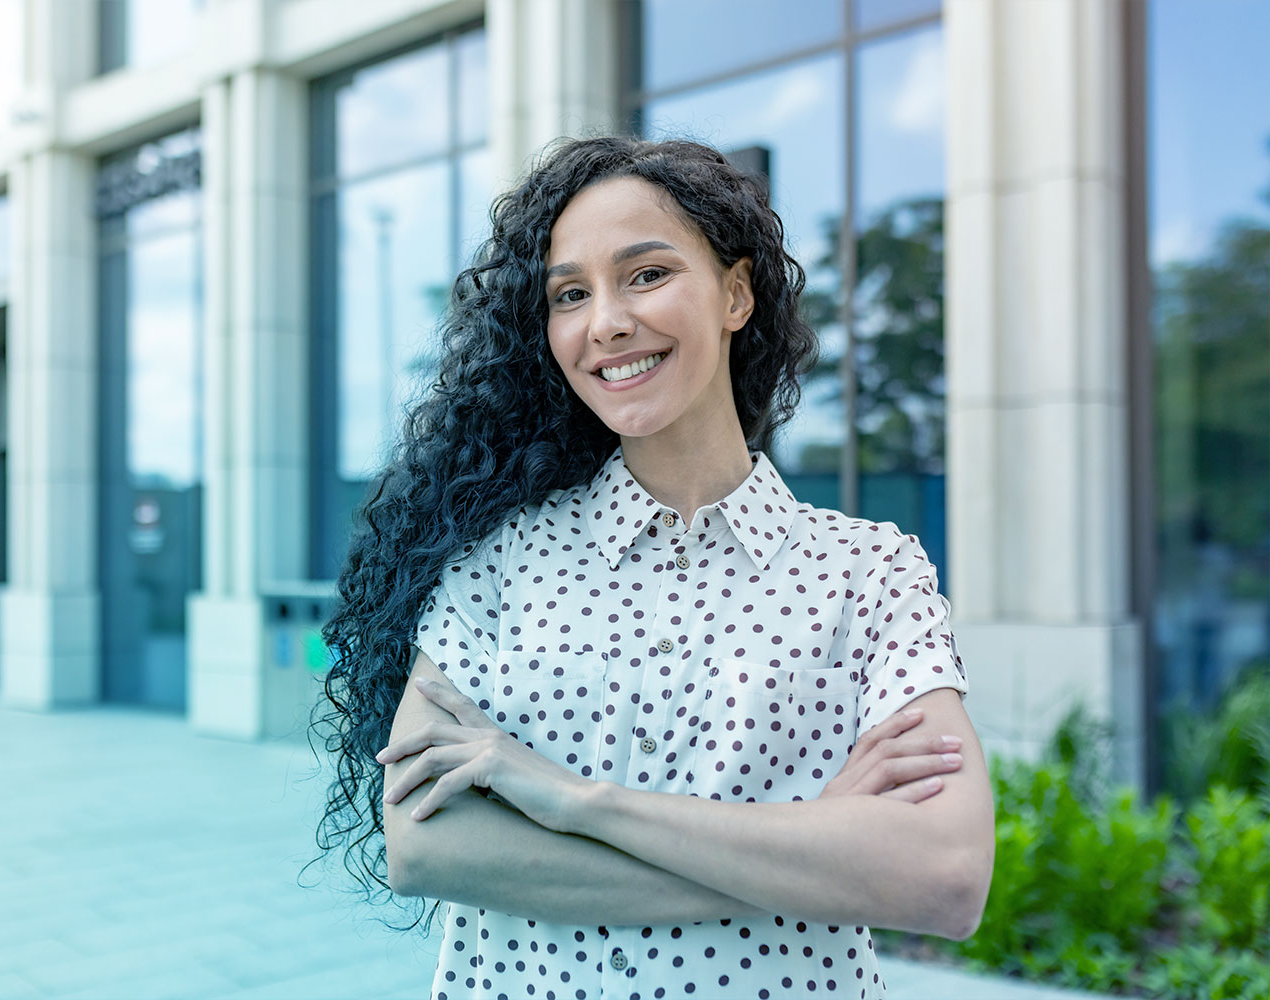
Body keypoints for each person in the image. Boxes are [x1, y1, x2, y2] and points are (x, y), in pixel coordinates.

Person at [317, 136, 994, 1000]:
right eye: (571, 294)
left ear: (736, 293)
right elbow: (424, 847)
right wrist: (808, 845)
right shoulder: (497, 561)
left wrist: (574, 804)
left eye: (645, 274)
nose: (606, 322)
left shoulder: (869, 570)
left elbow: (944, 875)